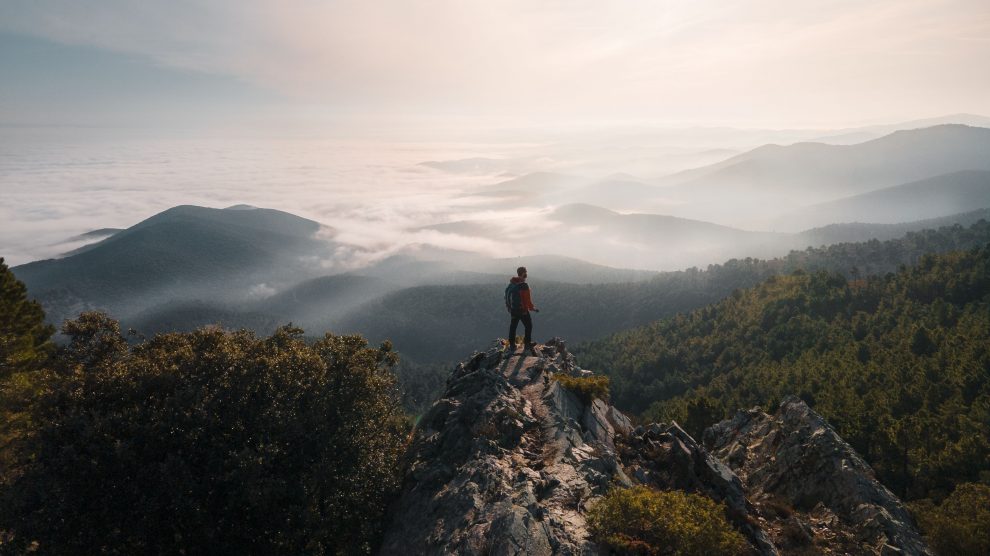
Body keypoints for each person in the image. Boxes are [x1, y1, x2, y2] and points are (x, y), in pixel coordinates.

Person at [505, 266, 539, 353]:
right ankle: (527, 344)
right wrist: (533, 308)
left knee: (513, 327)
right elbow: (528, 301)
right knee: (528, 326)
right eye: (525, 274)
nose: (526, 276)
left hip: (513, 310)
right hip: (523, 311)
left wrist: (509, 308)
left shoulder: (511, 284)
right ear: (522, 274)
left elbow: (506, 296)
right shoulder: (524, 286)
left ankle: (512, 345)